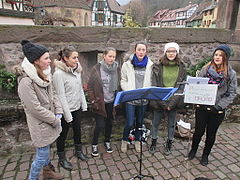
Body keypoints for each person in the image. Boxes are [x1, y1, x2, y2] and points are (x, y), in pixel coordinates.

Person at [16, 40, 64, 180]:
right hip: (40, 125)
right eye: (46, 58)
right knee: (42, 155)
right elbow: (34, 108)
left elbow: (53, 93)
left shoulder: (45, 73)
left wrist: (59, 110)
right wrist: (54, 119)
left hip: (50, 120)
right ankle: (33, 177)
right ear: (36, 61)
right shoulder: (26, 82)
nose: (50, 61)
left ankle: (48, 173)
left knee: (46, 150)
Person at [188, 44, 237, 166]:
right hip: (203, 107)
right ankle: (193, 150)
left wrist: (219, 106)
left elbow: (231, 93)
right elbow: (197, 86)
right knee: (198, 131)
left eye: (220, 55)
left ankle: (205, 155)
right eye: (216, 55)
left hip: (217, 109)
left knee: (211, 134)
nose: (217, 57)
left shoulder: (230, 74)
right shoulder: (206, 69)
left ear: (225, 57)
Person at [53, 46, 88, 171]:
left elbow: (80, 89)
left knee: (78, 131)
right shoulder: (58, 74)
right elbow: (60, 95)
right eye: (74, 57)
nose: (77, 60)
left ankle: (79, 151)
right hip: (65, 110)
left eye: (77, 57)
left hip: (76, 107)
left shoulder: (77, 70)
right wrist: (67, 115)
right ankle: (61, 158)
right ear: (65, 58)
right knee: (62, 135)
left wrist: (83, 104)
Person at [149, 42, 186, 155]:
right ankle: (154, 142)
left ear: (177, 53)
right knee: (155, 122)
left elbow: (181, 86)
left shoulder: (182, 67)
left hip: (174, 100)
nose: (171, 53)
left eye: (173, 51)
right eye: (169, 51)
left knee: (171, 124)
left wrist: (172, 103)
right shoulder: (158, 66)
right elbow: (155, 85)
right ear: (165, 52)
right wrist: (163, 103)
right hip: (160, 99)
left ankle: (169, 143)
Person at [120, 42, 153, 153]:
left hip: (143, 98)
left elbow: (151, 81)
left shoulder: (150, 65)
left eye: (143, 50)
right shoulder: (127, 64)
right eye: (139, 49)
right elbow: (123, 80)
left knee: (139, 122)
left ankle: (138, 140)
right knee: (129, 122)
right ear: (135, 51)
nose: (141, 52)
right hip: (131, 98)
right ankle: (125, 140)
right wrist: (128, 91)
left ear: (146, 51)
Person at [87, 47, 120, 157]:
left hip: (111, 101)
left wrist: (118, 99)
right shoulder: (96, 69)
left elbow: (118, 86)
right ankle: (95, 144)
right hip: (100, 102)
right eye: (110, 56)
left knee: (109, 123)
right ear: (104, 56)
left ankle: (107, 141)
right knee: (100, 125)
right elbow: (90, 87)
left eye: (114, 56)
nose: (112, 59)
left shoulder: (116, 68)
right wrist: (93, 101)